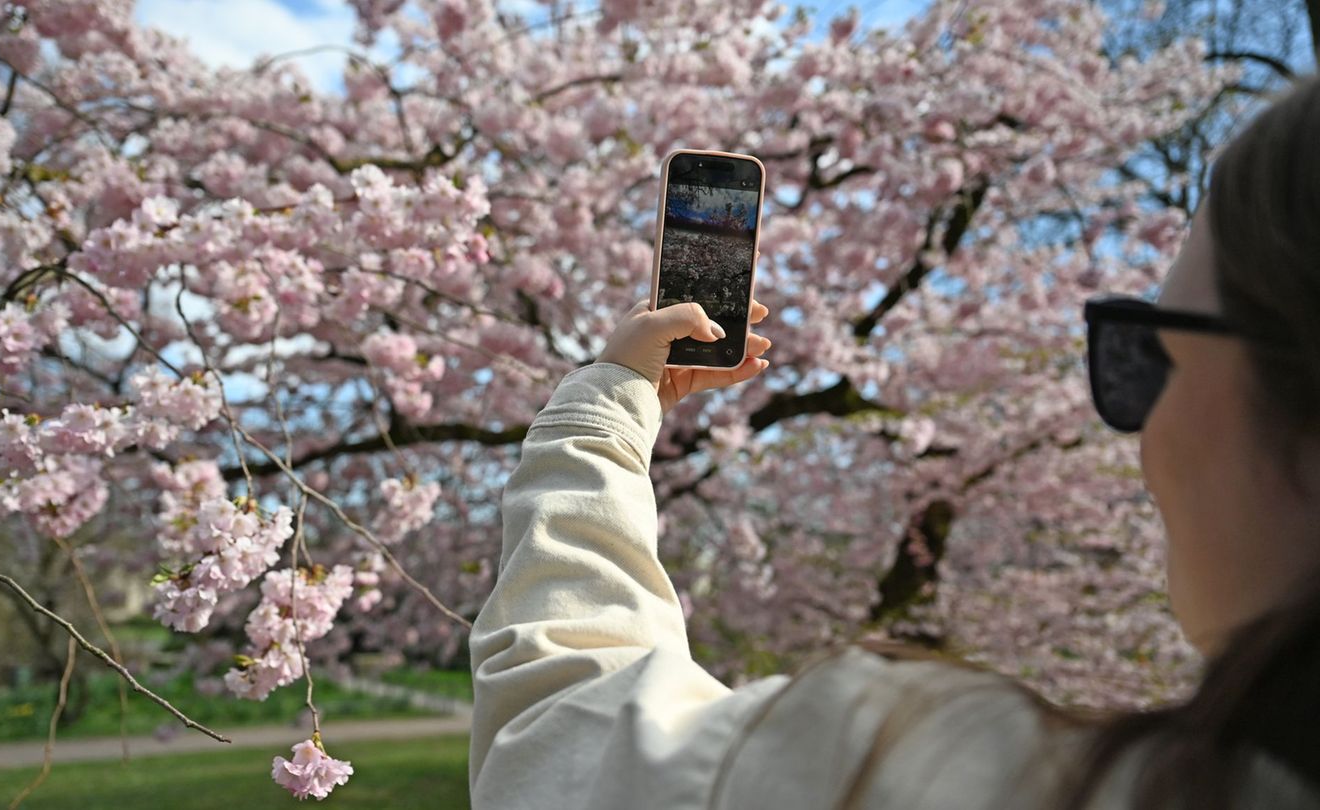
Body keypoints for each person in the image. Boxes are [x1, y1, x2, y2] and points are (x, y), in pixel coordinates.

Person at [467, 76, 1320, 809]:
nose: (1140, 429)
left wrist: (602, 406)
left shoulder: (932, 770)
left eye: (1150, 351)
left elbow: (558, 729)